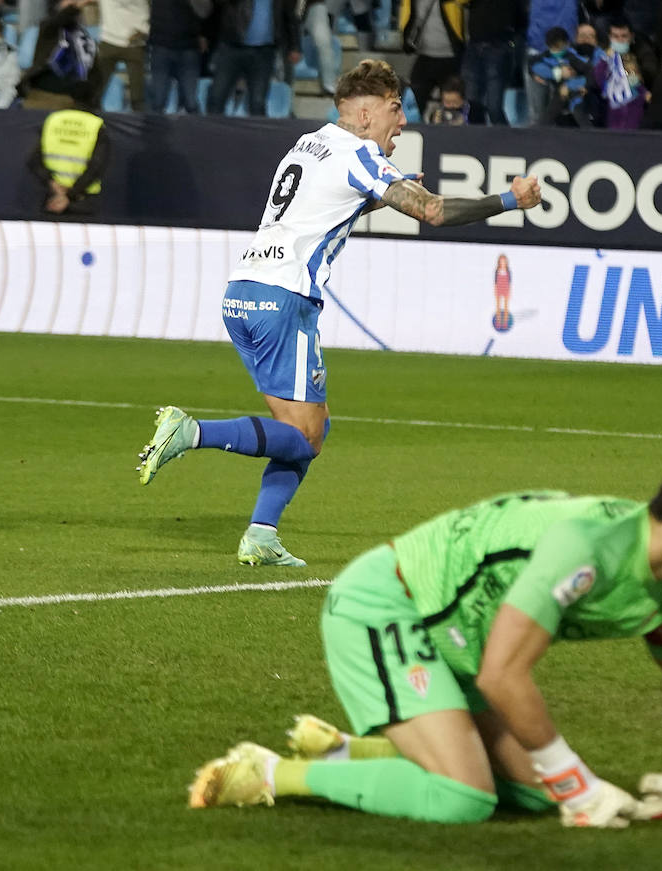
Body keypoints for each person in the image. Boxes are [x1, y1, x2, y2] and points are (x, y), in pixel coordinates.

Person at [185, 450, 662, 826]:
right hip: (388, 608)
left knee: (538, 797)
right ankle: (264, 774)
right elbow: (502, 675)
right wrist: (578, 785)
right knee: (463, 798)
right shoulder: (585, 551)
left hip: (455, 637)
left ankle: (347, 750)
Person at [135, 59, 543, 567]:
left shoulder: (308, 144)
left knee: (311, 431)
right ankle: (192, 433)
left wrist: (376, 197)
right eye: (396, 109)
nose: (403, 121)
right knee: (305, 437)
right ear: (367, 112)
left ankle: (262, 535)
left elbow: (322, 207)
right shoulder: (362, 154)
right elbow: (433, 211)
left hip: (243, 292)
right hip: (284, 301)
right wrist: (509, 198)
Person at [204, 0, 301, 117]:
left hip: (264, 52)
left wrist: (295, 46)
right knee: (216, 96)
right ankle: (211, 133)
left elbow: (290, 17)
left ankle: (257, 135)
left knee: (258, 102)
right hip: (231, 47)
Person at [28, 107, 110, 214]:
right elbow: (97, 166)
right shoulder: (95, 124)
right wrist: (69, 194)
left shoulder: (53, 120)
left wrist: (52, 184)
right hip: (83, 199)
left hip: (51, 198)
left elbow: (34, 160)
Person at [147, 0, 210, 113]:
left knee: (190, 102)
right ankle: (154, 130)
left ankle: (197, 130)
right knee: (158, 101)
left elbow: (204, 11)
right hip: (161, 46)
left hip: (189, 48)